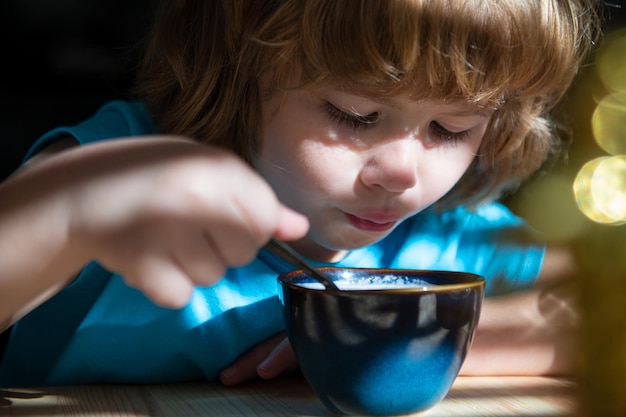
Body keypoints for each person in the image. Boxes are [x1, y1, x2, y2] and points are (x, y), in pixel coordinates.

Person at [0, 0, 601, 387]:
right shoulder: (126, 171)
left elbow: (604, 316)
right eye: (356, 113)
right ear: (240, 67)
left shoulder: (449, 235)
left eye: (452, 128)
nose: (402, 170)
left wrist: (419, 342)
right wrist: (71, 212)